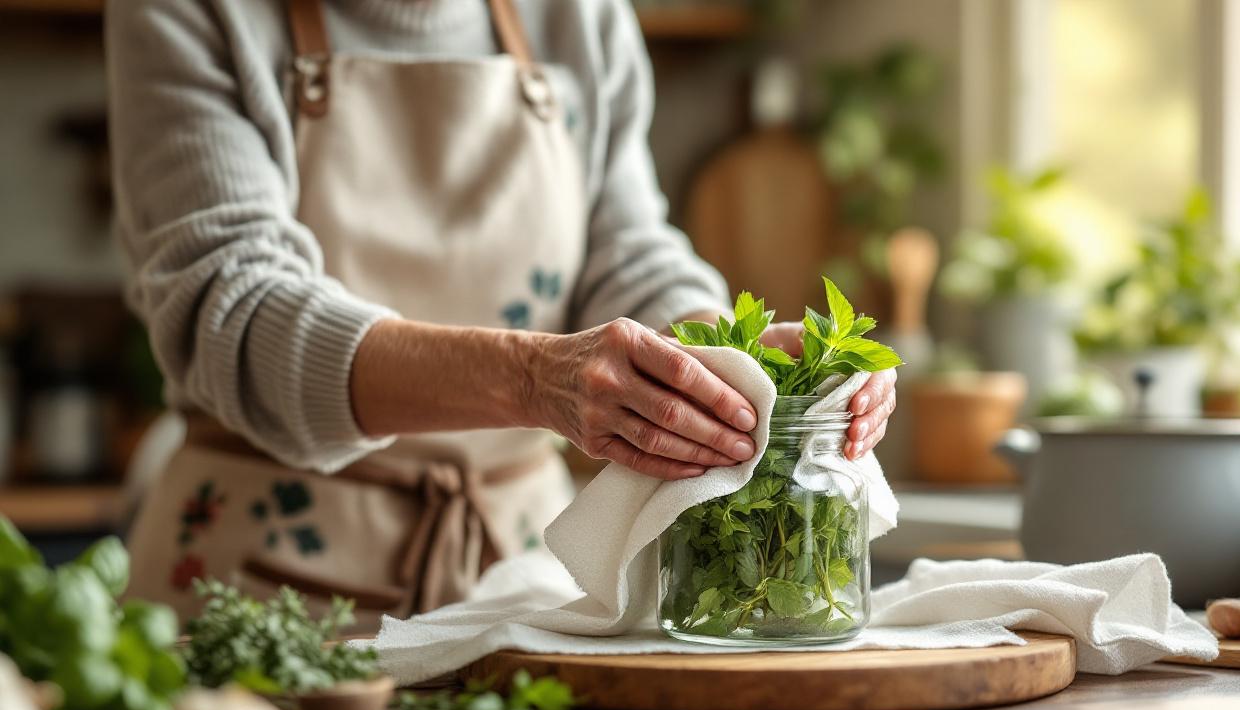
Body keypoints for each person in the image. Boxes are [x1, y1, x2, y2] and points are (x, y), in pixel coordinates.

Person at [106, 0, 897, 625]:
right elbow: (233, 307)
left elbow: (626, 252)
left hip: (526, 583)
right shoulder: (193, 10)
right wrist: (527, 378)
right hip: (255, 591)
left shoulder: (579, 14)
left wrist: (735, 361)